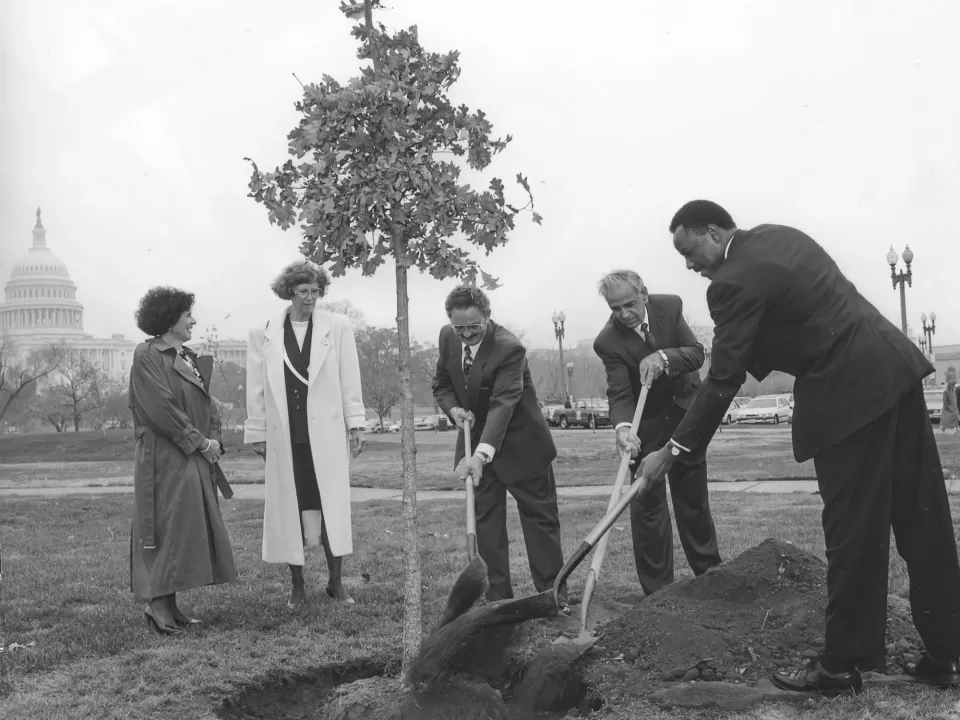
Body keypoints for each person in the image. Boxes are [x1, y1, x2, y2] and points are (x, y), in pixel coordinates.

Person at [638, 200, 960, 693]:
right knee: (923, 517)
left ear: (713, 230)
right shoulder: (777, 236)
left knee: (852, 531)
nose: (689, 264)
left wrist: (673, 449)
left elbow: (723, 377)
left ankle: (839, 667)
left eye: (689, 249)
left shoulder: (731, 282)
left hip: (848, 397)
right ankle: (948, 653)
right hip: (893, 372)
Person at [431, 284, 569, 613]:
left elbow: (503, 404)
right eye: (459, 327)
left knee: (540, 522)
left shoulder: (509, 348)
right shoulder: (448, 337)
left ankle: (551, 595)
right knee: (486, 524)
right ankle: (498, 601)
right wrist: (454, 410)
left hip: (523, 444)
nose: (466, 334)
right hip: (475, 439)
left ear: (488, 317)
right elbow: (442, 383)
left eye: (473, 327)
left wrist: (480, 455)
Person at [244, 261, 366, 608]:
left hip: (326, 434)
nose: (311, 298)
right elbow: (256, 387)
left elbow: (348, 376)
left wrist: (355, 422)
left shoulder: (338, 327)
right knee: (289, 507)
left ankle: (336, 582)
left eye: (316, 291)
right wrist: (257, 431)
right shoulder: (263, 332)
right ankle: (297, 584)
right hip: (286, 435)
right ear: (289, 292)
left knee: (332, 506)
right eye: (304, 291)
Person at [593, 270, 721, 597]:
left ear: (644, 294)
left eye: (629, 304)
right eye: (615, 308)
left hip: (684, 415)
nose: (624, 314)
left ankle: (710, 577)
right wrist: (623, 429)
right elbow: (620, 393)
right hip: (645, 425)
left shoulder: (671, 307)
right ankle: (658, 593)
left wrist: (664, 357)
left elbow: (695, 354)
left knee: (692, 500)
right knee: (647, 505)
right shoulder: (607, 341)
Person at [129, 286, 237, 634]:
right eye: (187, 314)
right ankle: (156, 605)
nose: (194, 319)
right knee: (163, 525)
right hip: (163, 456)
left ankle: (171, 605)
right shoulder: (147, 355)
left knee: (182, 527)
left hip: (190, 453)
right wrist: (199, 442)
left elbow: (206, 403)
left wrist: (214, 438)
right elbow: (161, 408)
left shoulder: (188, 355)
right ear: (170, 317)